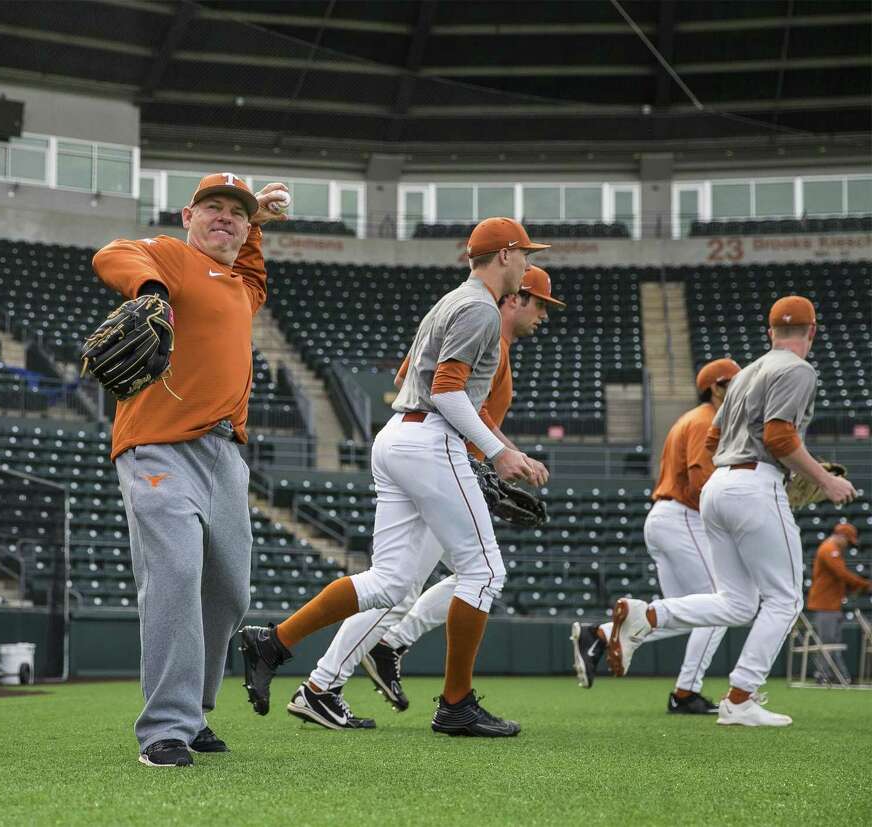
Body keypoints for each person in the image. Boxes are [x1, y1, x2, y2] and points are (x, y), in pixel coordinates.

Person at [239, 217, 549, 738]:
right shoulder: (477, 308)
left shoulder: (454, 300)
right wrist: (498, 453)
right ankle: (456, 704)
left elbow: (414, 377)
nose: (527, 264)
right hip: (431, 437)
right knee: (485, 573)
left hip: (399, 437)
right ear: (505, 255)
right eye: (524, 255)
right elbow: (448, 392)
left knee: (389, 583)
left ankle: (273, 642)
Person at [92, 173, 289, 768]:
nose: (225, 217)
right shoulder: (172, 259)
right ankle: (165, 729)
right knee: (175, 574)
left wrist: (258, 227)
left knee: (229, 590)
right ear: (188, 215)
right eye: (213, 208)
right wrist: (151, 290)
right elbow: (111, 253)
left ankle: (194, 712)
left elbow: (251, 272)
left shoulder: (240, 285)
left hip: (225, 454)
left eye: (237, 211)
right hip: (158, 447)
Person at [608, 296, 856, 727]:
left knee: (738, 603)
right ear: (812, 332)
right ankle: (740, 696)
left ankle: (647, 615)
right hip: (754, 483)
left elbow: (713, 441)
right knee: (785, 598)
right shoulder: (797, 369)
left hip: (718, 485)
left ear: (770, 333)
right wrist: (824, 479)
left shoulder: (745, 375)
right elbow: (779, 438)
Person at [571, 358, 740, 714]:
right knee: (722, 605)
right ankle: (685, 693)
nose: (739, 389)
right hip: (683, 518)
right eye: (733, 383)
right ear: (716, 387)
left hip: (669, 519)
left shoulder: (697, 418)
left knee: (681, 615)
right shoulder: (705, 420)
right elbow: (700, 483)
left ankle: (599, 635)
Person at [806, 522, 869, 684]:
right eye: (848, 540)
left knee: (832, 642)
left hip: (831, 603)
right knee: (828, 642)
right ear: (841, 537)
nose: (848, 545)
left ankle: (837, 676)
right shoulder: (829, 549)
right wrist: (863, 584)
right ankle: (825, 675)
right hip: (825, 604)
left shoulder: (832, 549)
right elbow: (841, 573)